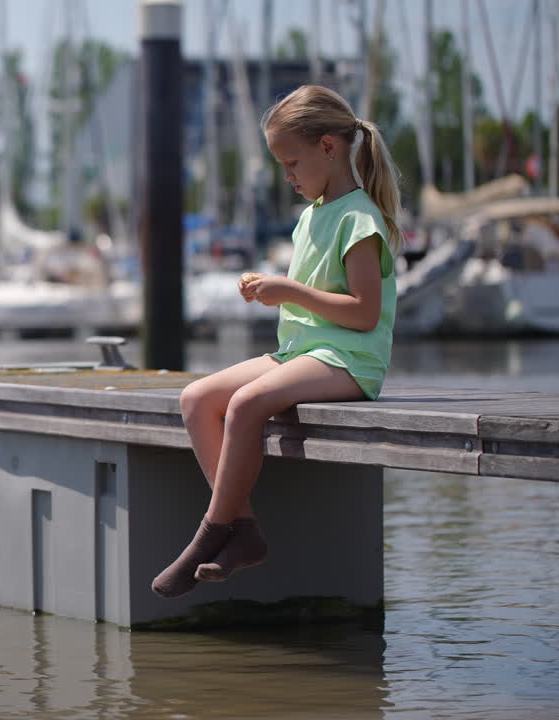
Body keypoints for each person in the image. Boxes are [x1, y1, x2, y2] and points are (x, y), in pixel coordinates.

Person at [152, 85, 404, 599]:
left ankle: (209, 534)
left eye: (292, 162)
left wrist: (289, 290)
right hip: (303, 353)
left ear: (329, 148)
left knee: (247, 403)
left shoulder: (358, 218)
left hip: (349, 358)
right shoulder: (311, 216)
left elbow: (364, 313)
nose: (287, 176)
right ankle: (243, 529)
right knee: (197, 398)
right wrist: (275, 289)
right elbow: (315, 298)